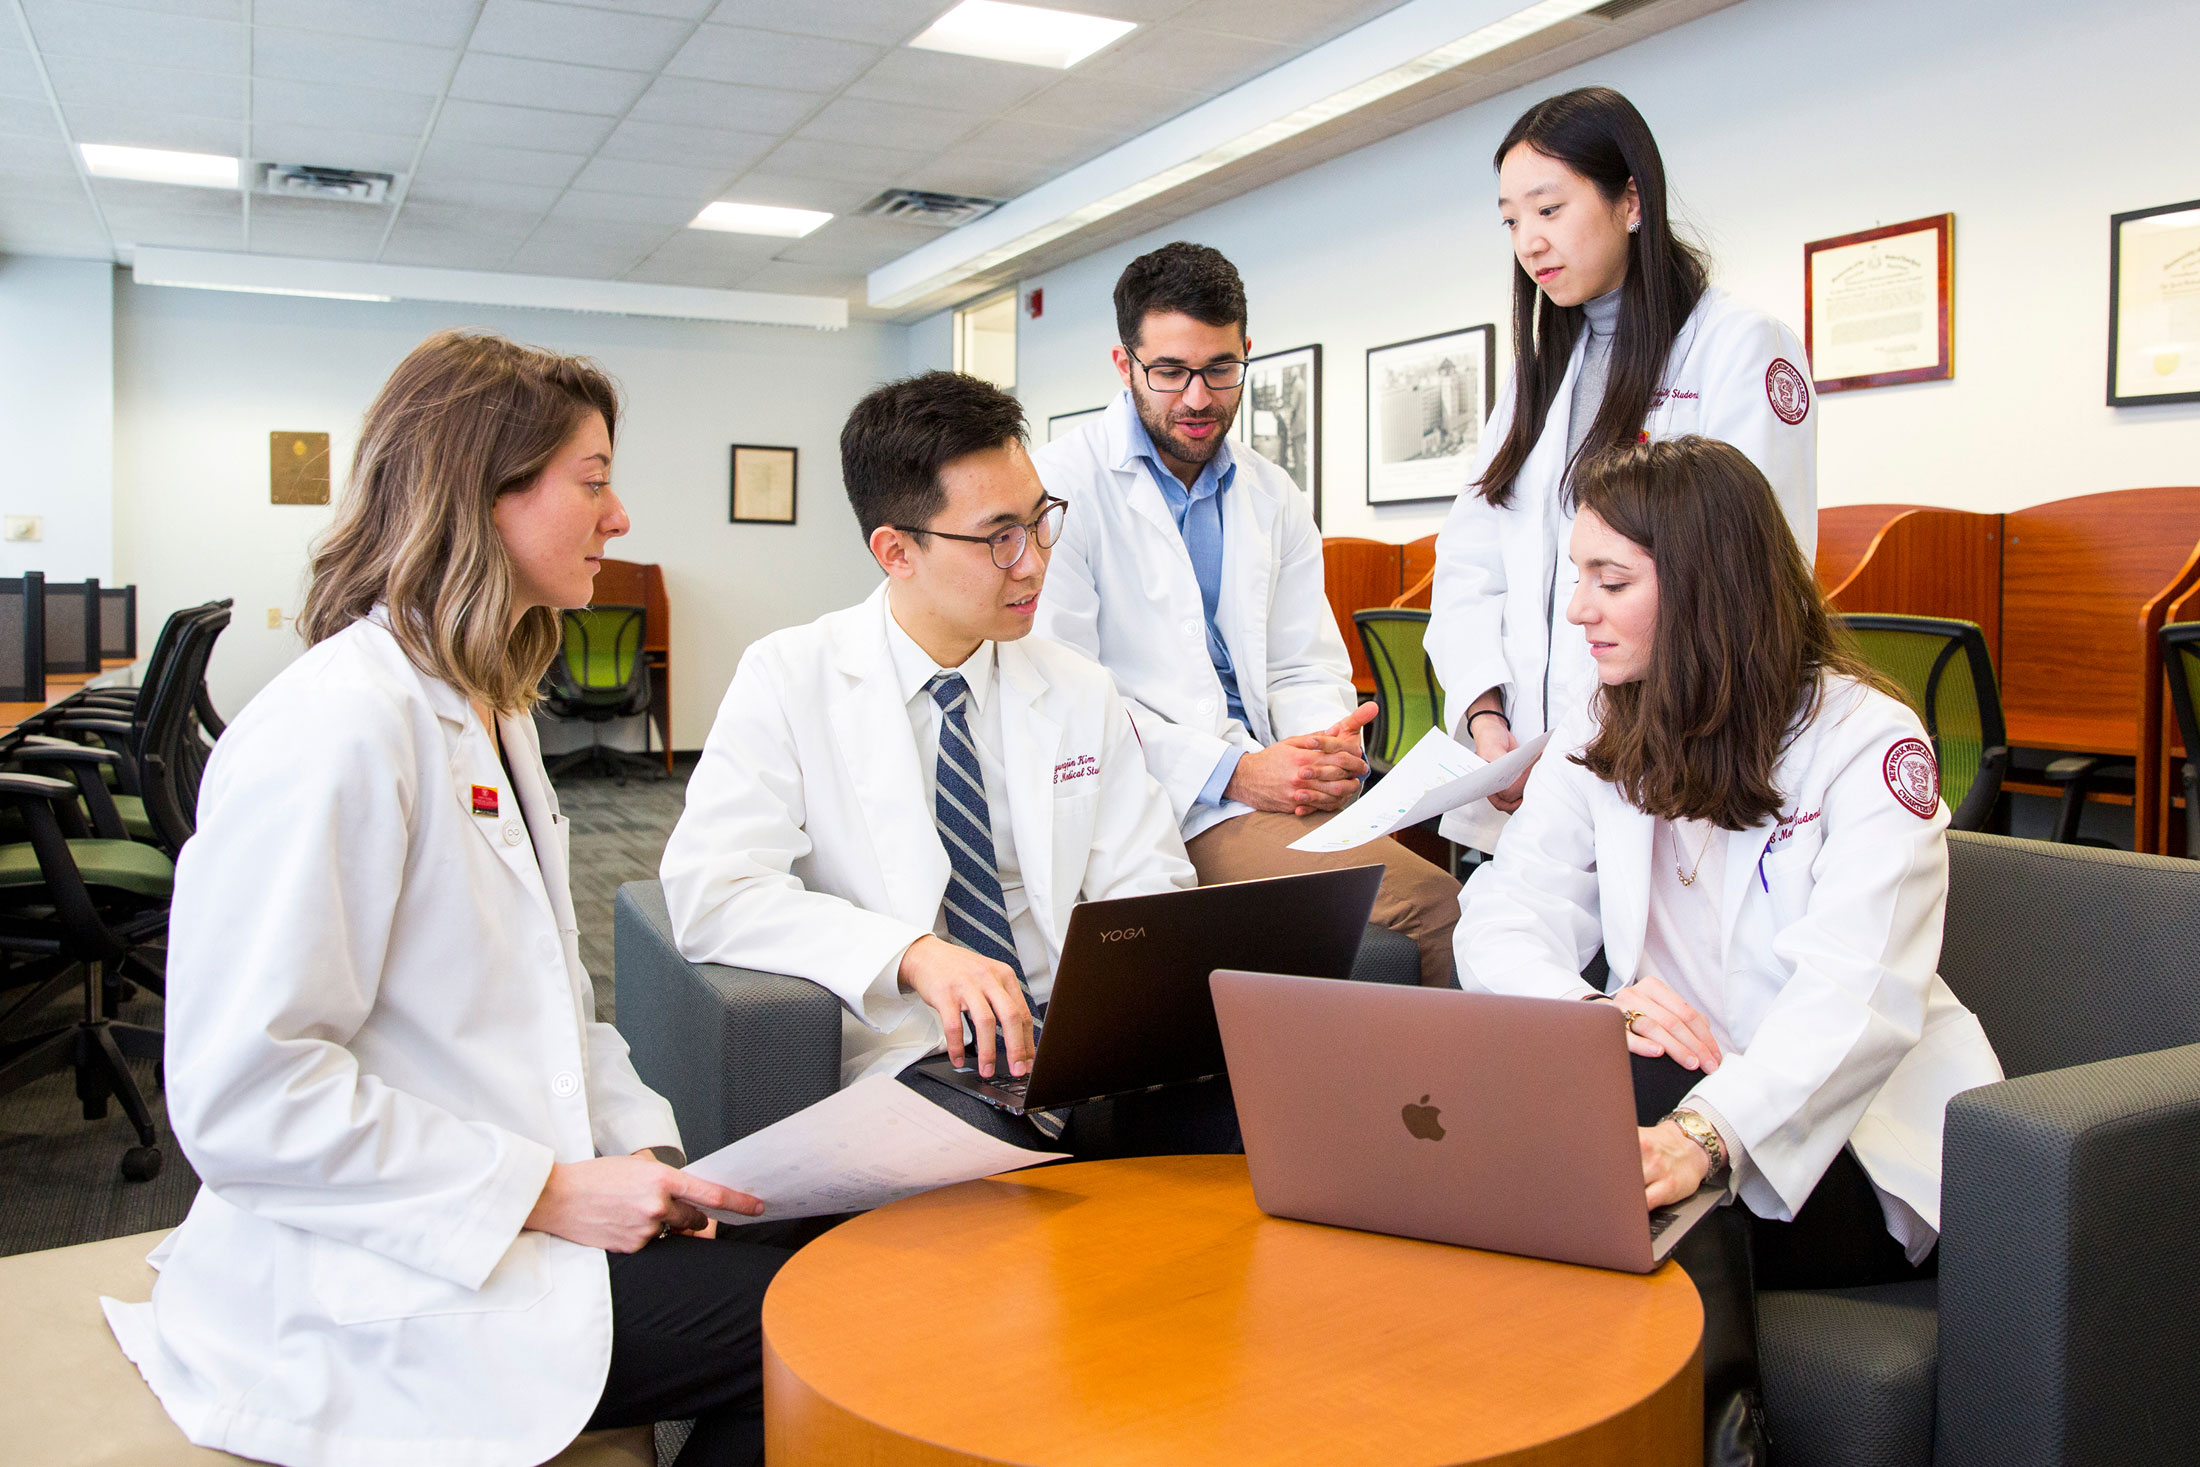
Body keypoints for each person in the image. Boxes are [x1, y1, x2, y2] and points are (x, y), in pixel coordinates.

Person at [101, 332, 788, 1467]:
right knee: (811, 1324)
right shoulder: (336, 726)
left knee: (804, 1286)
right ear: (484, 494)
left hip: (490, 1212)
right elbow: (246, 1099)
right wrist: (546, 1192)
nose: (620, 518)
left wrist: (645, 1156)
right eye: (595, 478)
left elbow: (554, 1004)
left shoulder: (488, 707)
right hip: (369, 1273)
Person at [1452, 436, 2002, 1464]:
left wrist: (1704, 1136)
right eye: (1577, 577)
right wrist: (1587, 1014)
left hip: (1840, 1134)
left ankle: (1719, 1442)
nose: (1578, 610)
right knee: (1538, 1114)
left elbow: (1856, 1001)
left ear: (1706, 589)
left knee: (1629, 1151)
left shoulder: (1868, 746)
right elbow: (1502, 911)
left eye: (1610, 581)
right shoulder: (1606, 722)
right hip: (1665, 1080)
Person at [661, 370, 1198, 1149]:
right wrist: (912, 954)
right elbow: (713, 889)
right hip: (924, 1049)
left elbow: (1150, 882)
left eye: (1042, 520)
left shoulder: (1079, 686)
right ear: (895, 550)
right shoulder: (790, 677)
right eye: (998, 537)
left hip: (1079, 1043)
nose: (1035, 562)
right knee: (999, 1141)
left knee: (1249, 1109)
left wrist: (1129, 1002)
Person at [1033, 241, 1461, 985]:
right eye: (1168, 371)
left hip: (1273, 786)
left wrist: (1317, 750)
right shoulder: (1061, 487)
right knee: (1436, 904)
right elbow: (1067, 697)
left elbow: (1304, 660)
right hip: (1169, 801)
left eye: (1220, 369)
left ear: (1246, 354)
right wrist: (1236, 773)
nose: (1197, 397)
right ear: (1123, 363)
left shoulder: (1273, 492)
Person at [1427, 86, 1818, 853]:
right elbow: (1470, 566)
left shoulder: (1740, 347)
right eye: (1511, 220)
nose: (1529, 242)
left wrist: (1579, 759)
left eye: (1550, 209)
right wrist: (1486, 719)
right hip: (1515, 779)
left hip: (1664, 776)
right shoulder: (1537, 376)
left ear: (1631, 200)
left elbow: (1744, 585)